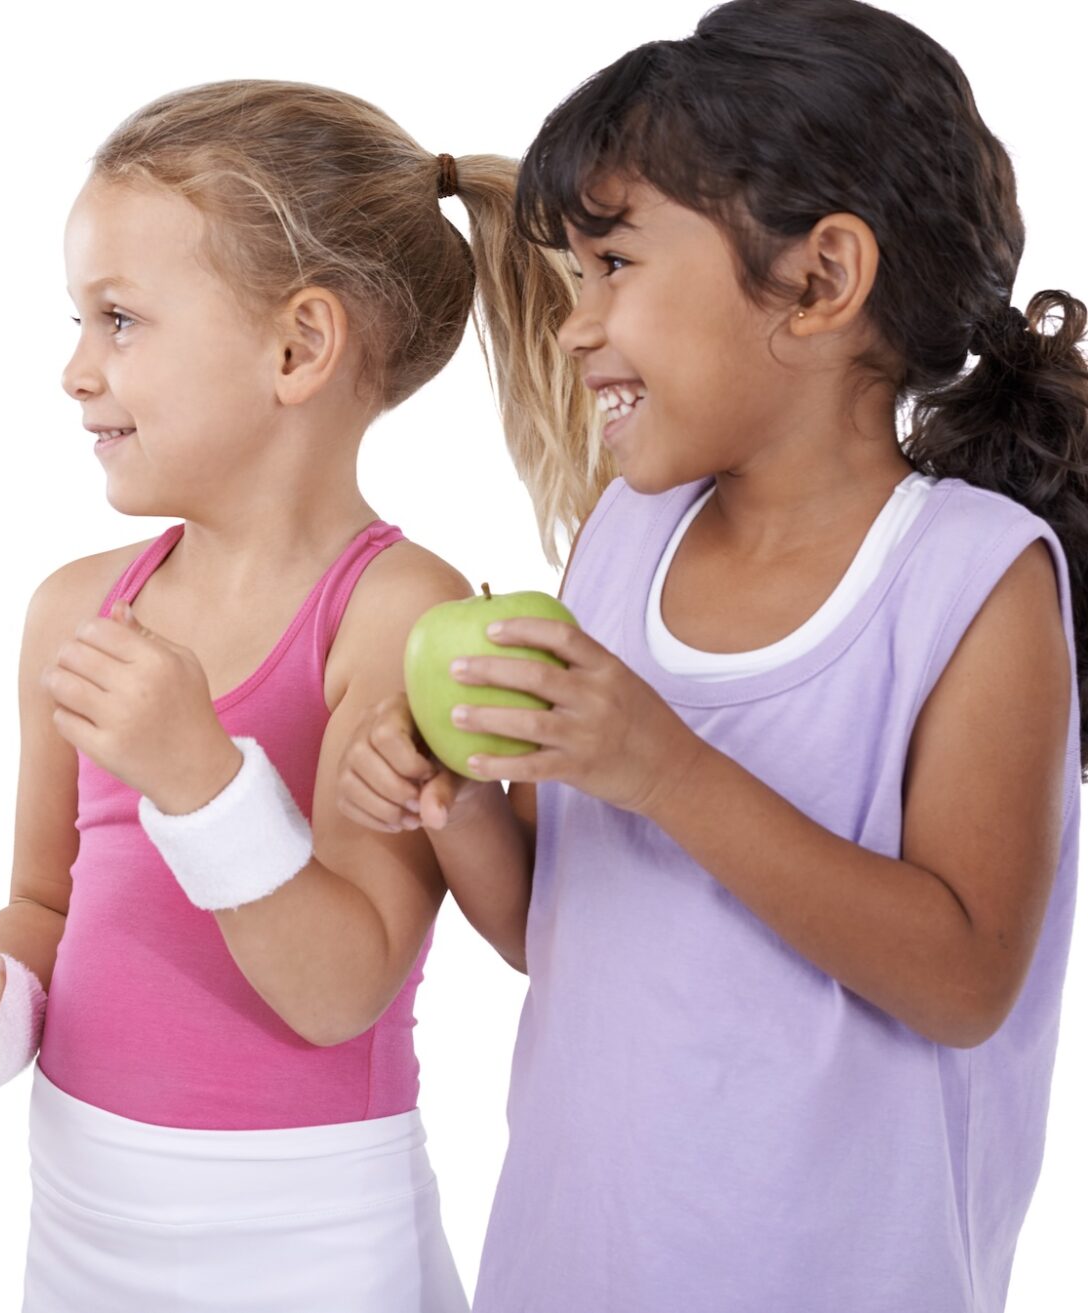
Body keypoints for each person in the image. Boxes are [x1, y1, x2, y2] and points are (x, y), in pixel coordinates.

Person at [336, 3, 1083, 1308]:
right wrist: (451, 801)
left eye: (614, 264)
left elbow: (964, 979)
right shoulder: (623, 539)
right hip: (567, 1268)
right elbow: (555, 929)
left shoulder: (973, 580)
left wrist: (664, 769)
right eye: (573, 278)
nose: (574, 327)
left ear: (819, 280)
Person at [0, 78, 598, 1311]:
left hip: (312, 1235)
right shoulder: (74, 609)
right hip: (83, 1220)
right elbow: (46, 906)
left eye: (118, 319)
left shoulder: (394, 613)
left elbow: (338, 989)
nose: (74, 370)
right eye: (79, 320)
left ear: (296, 347)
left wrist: (200, 774)